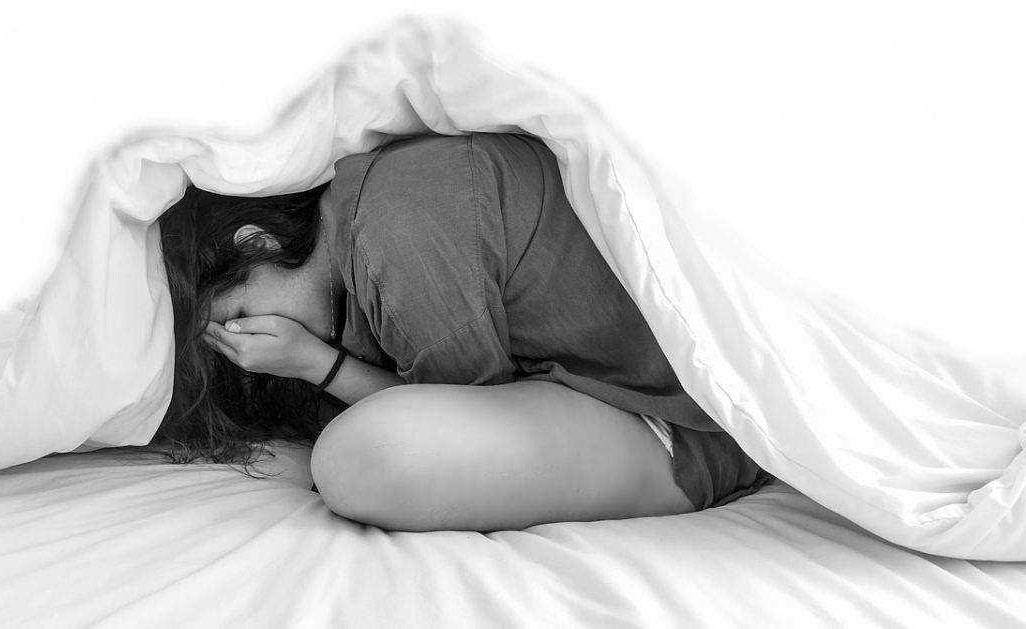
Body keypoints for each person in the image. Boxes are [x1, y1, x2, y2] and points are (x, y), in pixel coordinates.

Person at [155, 132, 770, 532]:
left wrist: (319, 365)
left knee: (359, 459)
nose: (246, 341)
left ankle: (736, 463)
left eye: (235, 313)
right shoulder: (373, 204)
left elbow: (463, 412)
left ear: (256, 243)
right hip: (653, 386)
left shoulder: (390, 233)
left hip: (691, 417)